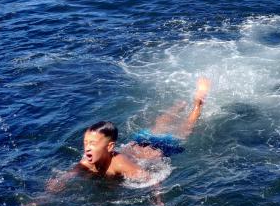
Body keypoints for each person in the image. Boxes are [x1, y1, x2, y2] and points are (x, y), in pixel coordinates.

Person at [48, 77, 210, 186]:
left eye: (93, 144)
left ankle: (197, 104)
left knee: (184, 130)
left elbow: (151, 179)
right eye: (85, 143)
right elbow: (67, 176)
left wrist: (157, 202)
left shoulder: (119, 163)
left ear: (110, 147)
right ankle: (177, 106)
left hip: (157, 148)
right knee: (158, 126)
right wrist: (49, 192)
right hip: (138, 142)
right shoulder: (86, 162)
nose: (87, 148)